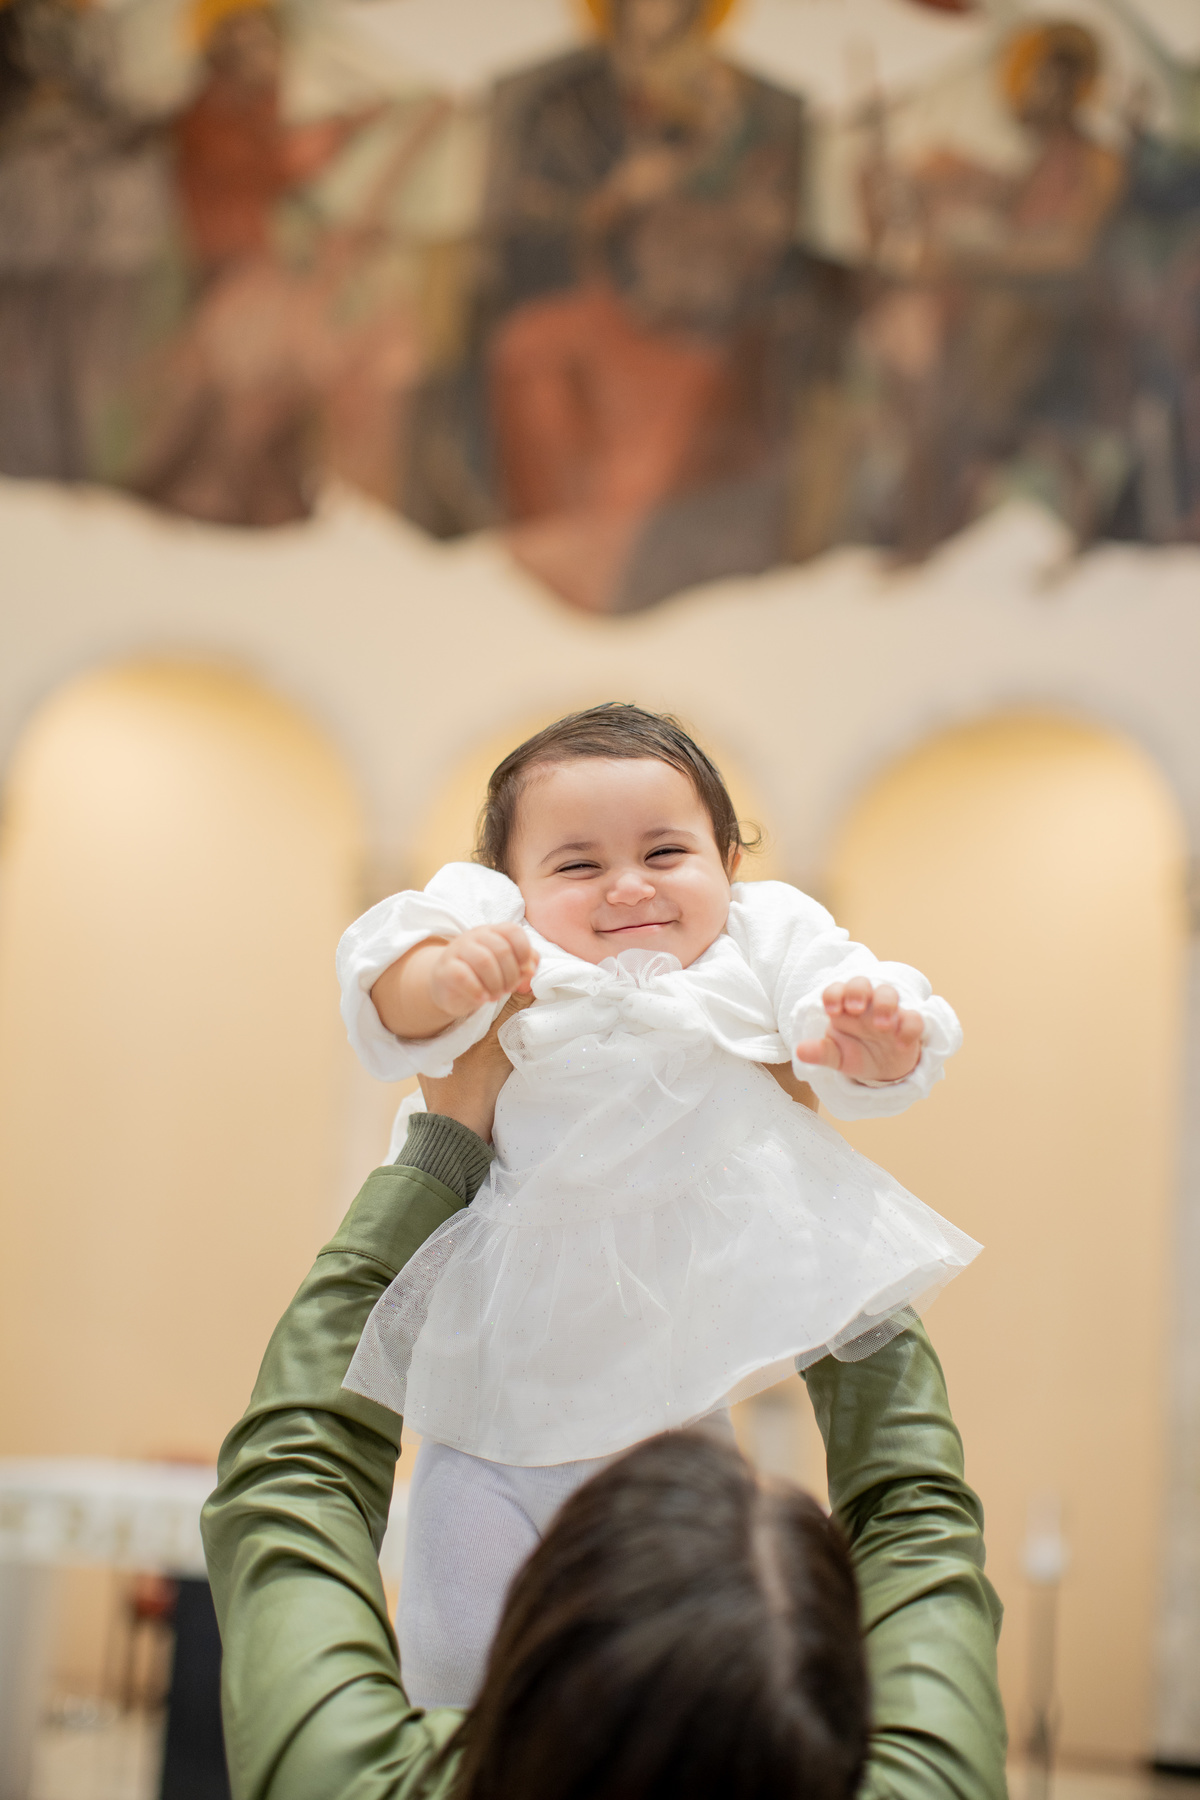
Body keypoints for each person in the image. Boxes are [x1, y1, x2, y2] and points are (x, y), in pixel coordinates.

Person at [336, 703, 979, 1706]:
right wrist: (446, 974)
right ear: (512, 884)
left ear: (726, 859)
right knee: (457, 1655)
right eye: (578, 865)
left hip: (675, 1391)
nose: (629, 885)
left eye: (666, 851)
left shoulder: (764, 933)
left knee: (675, 1651)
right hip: (493, 1396)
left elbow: (847, 997)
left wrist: (869, 1033)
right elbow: (381, 982)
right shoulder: (496, 930)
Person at [200, 1010, 1007, 1800]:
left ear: (533, 1630)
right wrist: (787, 1167)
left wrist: (444, 1147)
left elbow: (294, 1480)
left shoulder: (361, 1779)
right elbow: (916, 1515)